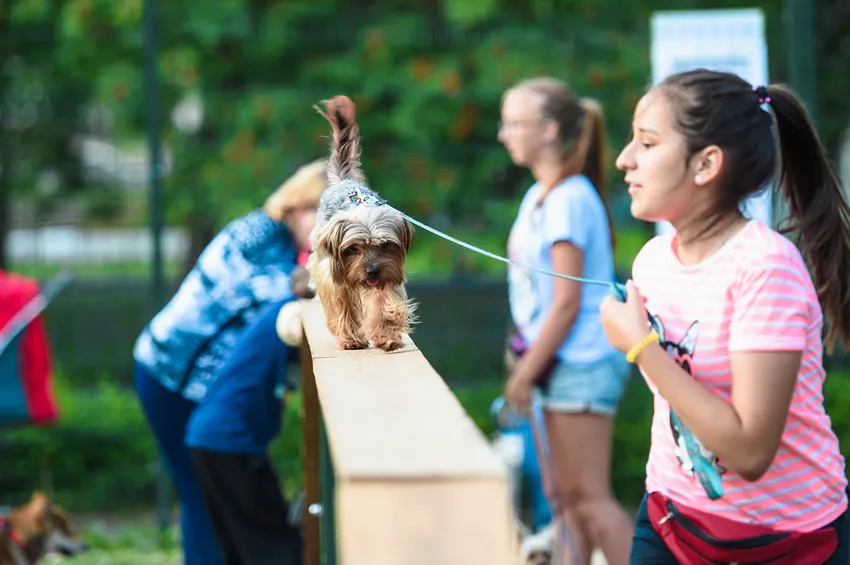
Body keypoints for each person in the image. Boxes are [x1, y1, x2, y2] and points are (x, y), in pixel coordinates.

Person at [600, 69, 850, 564]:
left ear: (706, 164)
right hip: (671, 520)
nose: (624, 159)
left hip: (789, 541)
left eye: (647, 144)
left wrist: (642, 349)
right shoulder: (652, 260)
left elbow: (750, 452)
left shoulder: (766, 267)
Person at [133, 160, 327, 565]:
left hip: (190, 377)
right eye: (323, 214)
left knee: (203, 490)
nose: (330, 227)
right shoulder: (261, 238)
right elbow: (279, 296)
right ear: (298, 206)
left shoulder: (282, 242)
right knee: (200, 490)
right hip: (171, 375)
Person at [498, 76, 634, 565]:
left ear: (551, 130)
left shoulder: (569, 198)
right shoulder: (543, 193)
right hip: (559, 363)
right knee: (565, 504)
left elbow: (565, 303)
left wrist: (524, 372)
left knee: (590, 501)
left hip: (580, 363)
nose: (503, 133)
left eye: (515, 122)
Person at [185, 297, 302, 565]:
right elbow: (297, 326)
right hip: (229, 440)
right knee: (276, 549)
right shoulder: (293, 311)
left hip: (208, 436)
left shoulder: (279, 308)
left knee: (241, 549)